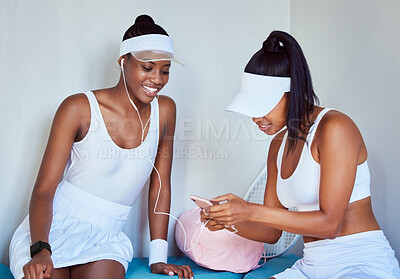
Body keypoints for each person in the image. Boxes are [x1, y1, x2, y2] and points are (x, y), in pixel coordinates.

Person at [201, 31, 400, 278]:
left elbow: (330, 224)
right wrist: (230, 221)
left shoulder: (335, 128)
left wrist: (249, 210)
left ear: (291, 92)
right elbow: (271, 232)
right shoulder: (277, 145)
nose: (255, 118)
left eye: (262, 107)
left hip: (359, 262)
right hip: (312, 266)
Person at [9, 15, 193, 279]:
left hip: (106, 239)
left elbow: (160, 187)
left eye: (165, 70)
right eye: (147, 67)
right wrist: (40, 249)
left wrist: (158, 259)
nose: (157, 79)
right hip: (51, 230)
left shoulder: (165, 111)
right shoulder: (78, 108)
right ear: (123, 61)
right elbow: (44, 190)